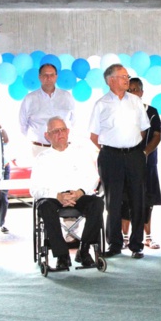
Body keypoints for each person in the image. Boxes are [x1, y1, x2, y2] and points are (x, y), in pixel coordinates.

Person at [89, 64, 150, 259]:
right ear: (111, 80)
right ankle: (114, 244)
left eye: (127, 76)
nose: (127, 79)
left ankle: (136, 244)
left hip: (134, 155)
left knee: (137, 200)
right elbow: (93, 136)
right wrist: (114, 149)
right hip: (110, 157)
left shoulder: (135, 101)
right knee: (112, 202)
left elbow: (143, 129)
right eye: (123, 76)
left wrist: (129, 147)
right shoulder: (101, 104)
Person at [30, 116, 104, 270]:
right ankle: (61, 255)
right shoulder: (41, 158)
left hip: (78, 194)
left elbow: (93, 177)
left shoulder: (81, 152)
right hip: (54, 197)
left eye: (63, 129)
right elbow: (35, 188)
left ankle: (83, 250)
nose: (60, 133)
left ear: (68, 131)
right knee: (44, 206)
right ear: (47, 135)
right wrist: (57, 195)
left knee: (97, 204)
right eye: (55, 131)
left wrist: (80, 192)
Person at [120, 77, 161, 250]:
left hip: (147, 163)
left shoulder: (151, 111)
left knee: (147, 201)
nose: (133, 93)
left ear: (142, 92)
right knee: (125, 200)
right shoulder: (120, 111)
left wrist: (144, 153)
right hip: (125, 163)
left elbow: (157, 136)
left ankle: (148, 237)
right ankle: (124, 237)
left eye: (136, 89)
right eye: (129, 90)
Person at [19, 63, 76, 157]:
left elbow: (75, 122)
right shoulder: (29, 99)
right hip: (40, 149)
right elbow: (22, 125)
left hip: (64, 149)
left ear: (56, 77)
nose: (49, 78)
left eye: (52, 75)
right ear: (40, 77)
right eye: (45, 75)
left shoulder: (66, 97)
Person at [0, 124, 10, 233]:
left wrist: (1, 128)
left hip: (4, 166)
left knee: (3, 197)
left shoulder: (0, 130)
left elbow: (6, 140)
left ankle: (2, 223)